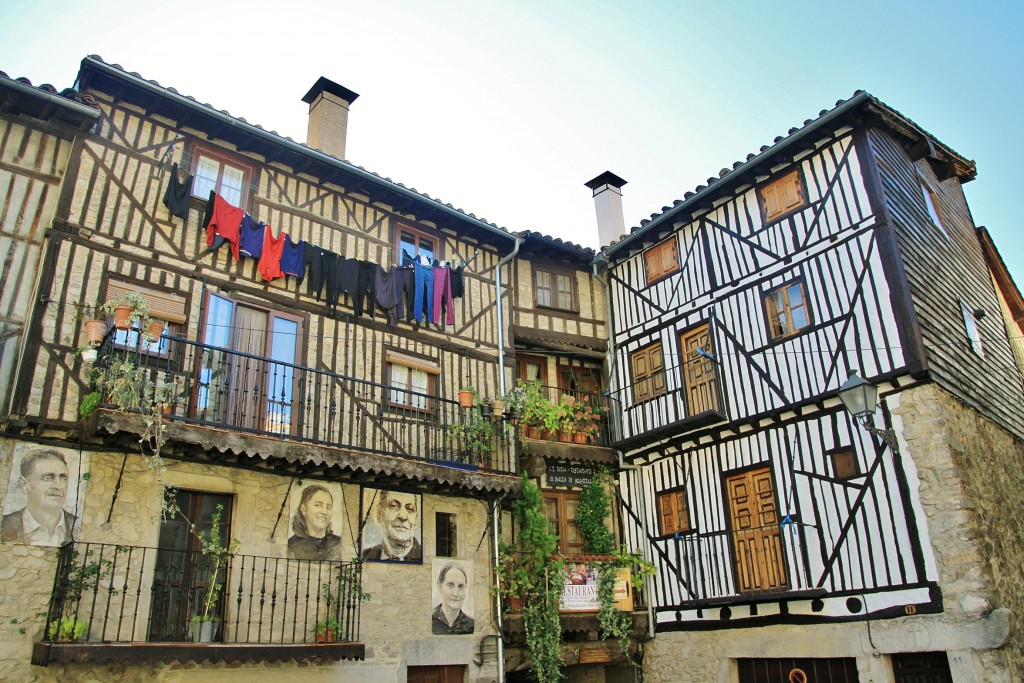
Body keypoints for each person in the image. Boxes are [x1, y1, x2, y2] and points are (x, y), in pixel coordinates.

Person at [1, 449, 76, 546]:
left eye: (63, 478)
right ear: (24, 485)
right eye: (47, 478)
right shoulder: (5, 524)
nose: (58, 486)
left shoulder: (76, 525)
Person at [361, 489, 421, 561]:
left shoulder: (421, 555)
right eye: (394, 506)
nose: (403, 516)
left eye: (410, 509)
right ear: (379, 513)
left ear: (416, 519)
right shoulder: (366, 555)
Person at [288, 484, 341, 561]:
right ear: (304, 509)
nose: (324, 512)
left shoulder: (338, 544)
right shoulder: (291, 546)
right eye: (318, 505)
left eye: (328, 507)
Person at [432, 561, 474, 634]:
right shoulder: (430, 620)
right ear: (439, 586)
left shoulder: (471, 624)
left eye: (461, 586)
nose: (456, 593)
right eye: (450, 585)